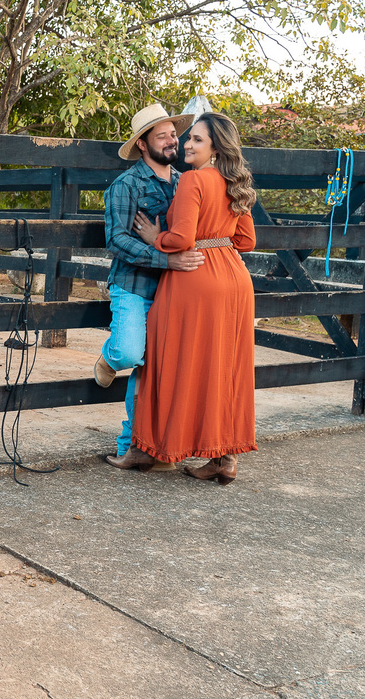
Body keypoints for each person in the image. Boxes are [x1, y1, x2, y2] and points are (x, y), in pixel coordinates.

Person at [118, 112, 258, 484]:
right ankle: (224, 458)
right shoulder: (236, 182)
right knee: (224, 368)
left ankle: (148, 449)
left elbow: (181, 239)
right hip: (235, 280)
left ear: (216, 148)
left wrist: (155, 238)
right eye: (189, 138)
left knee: (166, 361)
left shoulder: (194, 179)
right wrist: (218, 240)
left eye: (197, 139)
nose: (187, 145)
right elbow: (246, 241)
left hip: (195, 278)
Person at [98, 104, 206, 470]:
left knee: (152, 373)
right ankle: (109, 356)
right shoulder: (126, 185)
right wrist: (164, 257)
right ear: (142, 144)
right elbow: (116, 240)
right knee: (130, 354)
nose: (172, 141)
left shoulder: (187, 182)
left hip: (174, 291)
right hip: (133, 286)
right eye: (162, 136)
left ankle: (135, 447)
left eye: (173, 134)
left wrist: (163, 244)